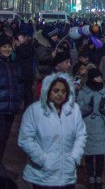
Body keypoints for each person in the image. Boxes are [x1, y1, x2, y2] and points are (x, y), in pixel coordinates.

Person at [18, 73, 88, 188]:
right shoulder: (34, 110)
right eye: (56, 91)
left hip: (67, 175)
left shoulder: (74, 110)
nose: (60, 94)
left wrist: (75, 157)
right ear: (48, 90)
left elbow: (81, 135)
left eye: (63, 91)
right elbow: (25, 139)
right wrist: (42, 160)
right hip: (42, 176)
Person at [76, 68, 105, 188]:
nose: (100, 79)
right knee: (89, 154)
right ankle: (91, 177)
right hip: (87, 127)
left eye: (100, 77)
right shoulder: (83, 92)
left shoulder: (104, 92)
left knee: (100, 155)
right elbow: (78, 111)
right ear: (92, 78)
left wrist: (103, 108)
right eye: (97, 77)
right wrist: (88, 107)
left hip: (100, 128)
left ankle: (98, 177)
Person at [0, 33, 22, 167]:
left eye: (9, 46)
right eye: (4, 46)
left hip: (10, 110)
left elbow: (19, 84)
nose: (7, 49)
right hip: (1, 110)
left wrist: (18, 101)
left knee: (4, 140)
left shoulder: (14, 64)